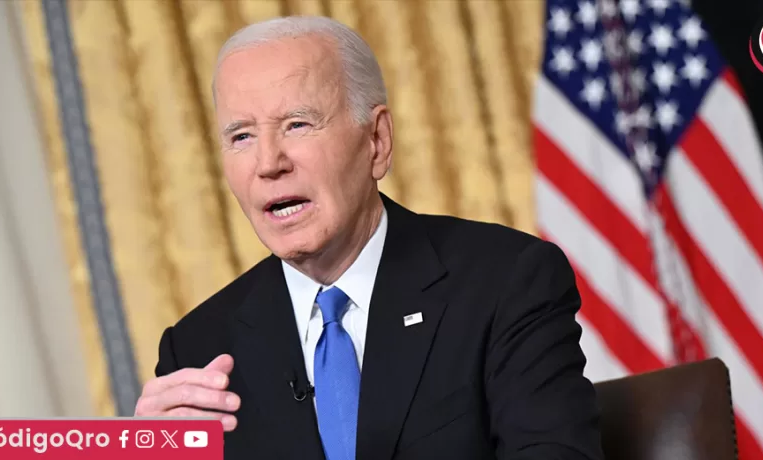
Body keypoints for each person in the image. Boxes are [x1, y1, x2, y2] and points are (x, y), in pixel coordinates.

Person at [134, 15, 603, 460]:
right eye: (241, 136)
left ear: (376, 141)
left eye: (297, 124)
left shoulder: (504, 282)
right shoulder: (198, 351)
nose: (268, 163)